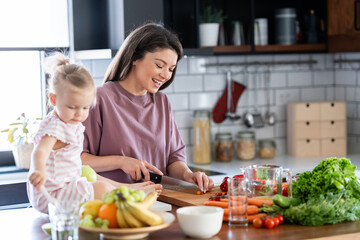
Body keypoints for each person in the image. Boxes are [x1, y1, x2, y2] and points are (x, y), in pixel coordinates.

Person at [81, 22, 214, 192]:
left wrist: (188, 175)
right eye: (159, 65)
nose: (166, 75)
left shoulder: (162, 102)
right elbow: (77, 160)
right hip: (115, 202)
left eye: (171, 69)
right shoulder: (100, 99)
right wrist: (122, 161)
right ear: (135, 58)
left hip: (159, 200)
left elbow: (173, 158)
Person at [27, 52, 160, 214]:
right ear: (53, 100)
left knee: (89, 174)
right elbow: (40, 150)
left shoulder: (68, 120)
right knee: (101, 188)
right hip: (52, 194)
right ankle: (132, 196)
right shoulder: (56, 126)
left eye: (85, 108)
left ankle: (128, 188)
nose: (79, 114)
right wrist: (38, 170)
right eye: (72, 107)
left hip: (67, 182)